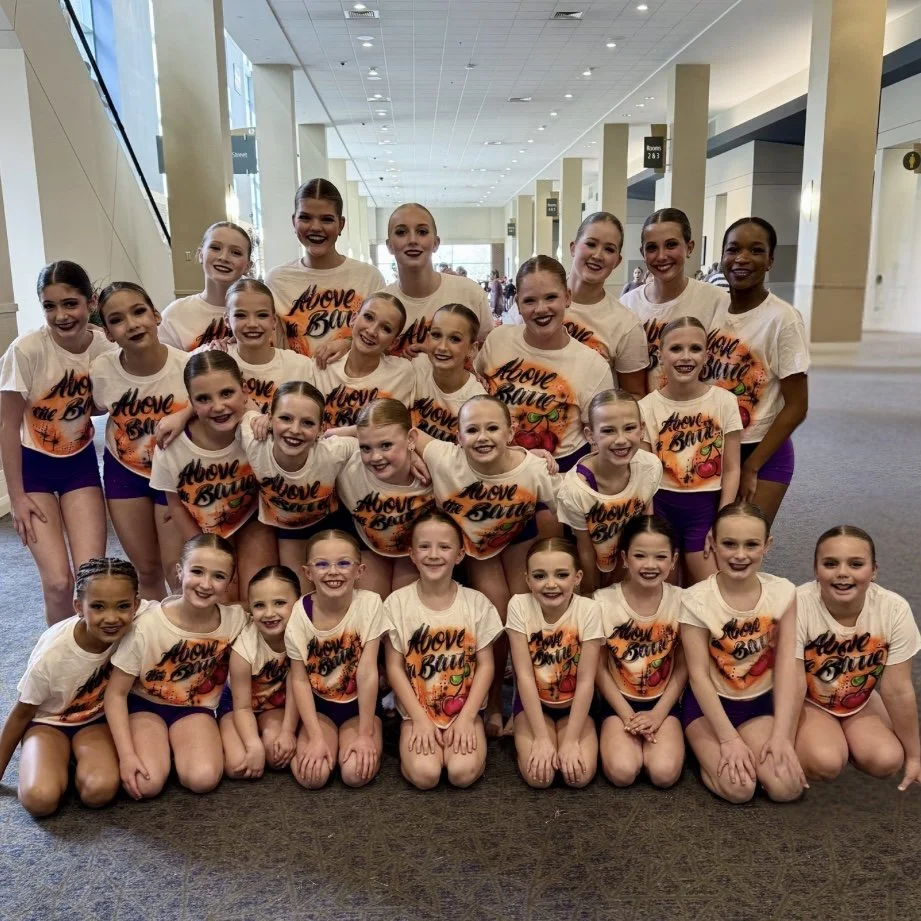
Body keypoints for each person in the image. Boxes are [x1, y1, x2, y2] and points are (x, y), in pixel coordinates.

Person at [413, 395, 561, 735]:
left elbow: (566, 505)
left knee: (523, 613)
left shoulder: (533, 468)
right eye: (473, 430)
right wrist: (406, 452)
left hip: (518, 534)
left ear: (511, 432)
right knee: (497, 616)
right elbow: (401, 431)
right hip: (477, 546)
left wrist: (543, 461)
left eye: (493, 428)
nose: (483, 437)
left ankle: (523, 704)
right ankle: (493, 703)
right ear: (458, 436)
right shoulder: (443, 457)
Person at [0, 261, 115, 624]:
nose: (61, 315)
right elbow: (7, 424)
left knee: (90, 578)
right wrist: (16, 497)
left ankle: (92, 660)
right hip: (33, 468)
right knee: (57, 582)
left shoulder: (102, 346)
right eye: (50, 306)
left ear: (90, 301)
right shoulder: (27, 350)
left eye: (70, 304)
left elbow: (101, 402)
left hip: (78, 464)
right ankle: (58, 661)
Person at [679, 502, 806, 804]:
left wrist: (782, 735)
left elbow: (789, 667)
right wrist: (727, 738)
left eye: (751, 545)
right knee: (739, 789)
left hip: (758, 704)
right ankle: (700, 753)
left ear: (767, 546)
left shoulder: (784, 592)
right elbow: (697, 676)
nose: (740, 555)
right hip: (710, 708)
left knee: (787, 788)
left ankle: (746, 749)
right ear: (711, 543)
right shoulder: (694, 600)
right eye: (729, 544)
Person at [105, 534, 248, 799]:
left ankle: (175, 749)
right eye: (197, 571)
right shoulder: (146, 625)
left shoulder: (235, 620)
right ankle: (155, 747)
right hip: (144, 705)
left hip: (194, 709)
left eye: (218, 576)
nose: (206, 584)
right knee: (146, 785)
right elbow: (115, 694)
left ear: (230, 583)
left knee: (203, 779)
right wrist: (126, 756)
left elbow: (270, 608)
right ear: (179, 572)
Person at [0, 558, 142, 816]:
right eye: (98, 607)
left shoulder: (138, 626)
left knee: (99, 791)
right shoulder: (52, 656)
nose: (111, 618)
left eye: (122, 606)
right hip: (48, 722)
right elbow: (21, 713)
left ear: (136, 605)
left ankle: (75, 762)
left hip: (95, 721)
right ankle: (48, 759)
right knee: (39, 800)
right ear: (78, 607)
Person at [794, 527, 921, 790]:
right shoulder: (798, 604)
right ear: (816, 569)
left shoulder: (894, 609)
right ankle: (828, 738)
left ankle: (850, 737)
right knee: (824, 762)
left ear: (874, 570)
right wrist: (782, 741)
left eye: (856, 564)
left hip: (861, 698)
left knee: (887, 760)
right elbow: (791, 684)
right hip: (810, 698)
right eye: (830, 563)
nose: (843, 573)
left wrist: (915, 755)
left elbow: (898, 689)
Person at [384, 511, 503, 789]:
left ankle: (467, 739)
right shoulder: (396, 604)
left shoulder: (477, 603)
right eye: (424, 546)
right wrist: (419, 720)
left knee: (461, 774)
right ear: (412, 554)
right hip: (417, 712)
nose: (433, 554)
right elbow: (394, 667)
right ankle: (411, 743)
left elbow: (486, 665)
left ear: (460, 555)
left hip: (464, 711)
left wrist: (468, 718)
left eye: (444, 547)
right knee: (426, 776)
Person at [702, 217, 809, 524]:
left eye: (756, 250)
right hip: (714, 448)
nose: (742, 258)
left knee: (741, 547)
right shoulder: (712, 310)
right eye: (733, 249)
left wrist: (752, 467)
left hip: (762, 451)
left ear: (770, 260)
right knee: (707, 548)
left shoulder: (782, 319)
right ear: (722, 256)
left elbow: (798, 406)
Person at [91, 282, 190, 600]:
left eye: (138, 312)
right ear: (107, 333)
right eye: (117, 320)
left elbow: (212, 406)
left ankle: (182, 639)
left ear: (156, 315)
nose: (132, 324)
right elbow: (94, 407)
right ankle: (153, 641)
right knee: (147, 570)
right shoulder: (102, 370)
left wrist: (184, 415)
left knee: (177, 569)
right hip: (126, 473)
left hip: (175, 475)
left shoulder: (188, 366)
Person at [149, 351, 272, 603]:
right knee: (209, 595)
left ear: (244, 390)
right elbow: (174, 504)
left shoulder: (257, 432)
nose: (218, 406)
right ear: (191, 403)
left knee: (255, 595)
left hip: (250, 519)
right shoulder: (172, 445)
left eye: (227, 393)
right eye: (204, 399)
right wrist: (207, 555)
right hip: (195, 520)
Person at [476, 256, 614, 473]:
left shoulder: (593, 366)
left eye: (551, 297)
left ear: (567, 297)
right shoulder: (498, 340)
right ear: (517, 303)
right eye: (530, 300)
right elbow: (472, 390)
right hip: (495, 471)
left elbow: (601, 442)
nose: (541, 309)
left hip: (560, 478)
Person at [639, 317, 742, 585]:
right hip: (662, 506)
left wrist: (722, 522)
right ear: (660, 355)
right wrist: (651, 529)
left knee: (710, 592)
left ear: (707, 355)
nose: (686, 357)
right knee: (664, 594)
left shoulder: (725, 402)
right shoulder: (647, 407)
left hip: (705, 509)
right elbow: (645, 475)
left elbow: (732, 468)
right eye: (676, 349)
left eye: (695, 349)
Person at [286, 530, 386, 788]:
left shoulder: (370, 604)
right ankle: (325, 737)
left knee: (355, 774)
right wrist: (316, 736)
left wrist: (365, 734)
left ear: (359, 570)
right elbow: (299, 681)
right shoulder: (299, 613)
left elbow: (367, 672)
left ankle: (361, 734)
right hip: (320, 709)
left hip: (359, 707)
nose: (333, 571)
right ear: (308, 572)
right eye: (322, 564)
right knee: (313, 777)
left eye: (343, 563)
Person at [594, 516, 686, 788]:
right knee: (622, 772)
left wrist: (658, 714)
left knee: (664, 774)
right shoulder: (602, 602)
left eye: (660, 557)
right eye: (640, 555)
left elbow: (684, 667)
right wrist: (625, 715)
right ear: (624, 558)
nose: (650, 565)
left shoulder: (682, 601)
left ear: (673, 560)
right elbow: (597, 668)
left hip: (662, 703)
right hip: (617, 703)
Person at [508, 538, 604, 788]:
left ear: (578, 577)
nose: (551, 584)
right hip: (534, 706)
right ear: (528, 579)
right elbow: (525, 677)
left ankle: (565, 735)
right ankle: (541, 734)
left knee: (579, 777)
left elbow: (585, 681)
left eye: (562, 575)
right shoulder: (519, 606)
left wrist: (571, 740)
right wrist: (541, 738)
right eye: (540, 576)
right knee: (540, 778)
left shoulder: (589, 610)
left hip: (576, 706)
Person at [240, 381, 355, 590]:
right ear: (270, 419)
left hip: (328, 520)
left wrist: (342, 432)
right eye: (285, 418)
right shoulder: (254, 440)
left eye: (307, 423)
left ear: (321, 428)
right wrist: (181, 416)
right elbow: (241, 401)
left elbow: (373, 433)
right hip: (286, 527)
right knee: (298, 594)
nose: (295, 430)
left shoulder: (333, 451)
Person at [266, 178, 385, 364]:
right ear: (293, 221)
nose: (315, 227)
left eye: (327, 219)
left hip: (355, 387)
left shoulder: (368, 277)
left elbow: (385, 333)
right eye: (305, 217)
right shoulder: (277, 280)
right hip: (299, 387)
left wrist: (349, 342)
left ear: (341, 225)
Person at [557, 389, 662, 594]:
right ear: (590, 435)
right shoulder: (575, 489)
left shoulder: (650, 467)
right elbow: (585, 550)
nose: (621, 440)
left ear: (642, 429)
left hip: (630, 562)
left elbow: (645, 528)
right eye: (608, 431)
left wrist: (632, 580)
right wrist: (591, 594)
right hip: (590, 568)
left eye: (629, 428)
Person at [334, 399, 435, 598]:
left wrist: (413, 453)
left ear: (411, 439)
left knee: (405, 605)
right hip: (369, 545)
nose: (376, 457)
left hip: (415, 553)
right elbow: (321, 438)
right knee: (370, 604)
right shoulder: (348, 464)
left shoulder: (434, 470)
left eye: (386, 445)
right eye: (366, 448)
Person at [621, 208, 728, 392]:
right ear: (642, 252)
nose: (662, 256)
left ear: (689, 247)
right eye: (652, 247)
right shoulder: (627, 305)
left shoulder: (716, 301)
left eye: (671, 245)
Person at [219, 565, 300, 780]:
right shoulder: (244, 649)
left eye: (280, 603)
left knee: (276, 756)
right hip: (238, 705)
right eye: (259, 605)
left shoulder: (302, 636)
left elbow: (298, 687)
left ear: (298, 603)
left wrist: (287, 732)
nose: (269, 613)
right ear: (250, 609)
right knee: (238, 766)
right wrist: (253, 745)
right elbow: (242, 707)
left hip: (276, 702)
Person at [382, 203, 492, 356]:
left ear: (435, 243)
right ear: (389, 246)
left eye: (422, 232)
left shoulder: (470, 293)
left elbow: (486, 354)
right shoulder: (381, 303)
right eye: (401, 232)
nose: (412, 240)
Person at [565, 212, 649, 401]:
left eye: (609, 249)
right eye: (591, 244)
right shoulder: (538, 300)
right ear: (573, 248)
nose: (598, 255)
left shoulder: (625, 324)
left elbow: (634, 395)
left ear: (617, 261)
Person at [313, 292, 414, 428]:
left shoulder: (402, 373)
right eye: (368, 317)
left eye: (386, 328)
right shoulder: (324, 363)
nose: (372, 331)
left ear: (393, 343)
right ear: (354, 318)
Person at [224, 278, 316, 415]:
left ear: (273, 321)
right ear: (227, 321)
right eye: (241, 315)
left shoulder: (301, 367)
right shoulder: (216, 361)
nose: (252, 324)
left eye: (262, 315)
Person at [159, 222, 253, 351]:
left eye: (236, 253)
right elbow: (166, 367)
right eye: (215, 248)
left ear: (248, 265)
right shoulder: (175, 315)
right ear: (200, 254)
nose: (224, 257)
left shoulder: (263, 313)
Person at [410, 303, 486, 442]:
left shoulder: (477, 402)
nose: (442, 347)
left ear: (472, 349)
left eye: (455, 339)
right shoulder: (415, 367)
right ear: (428, 338)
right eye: (436, 335)